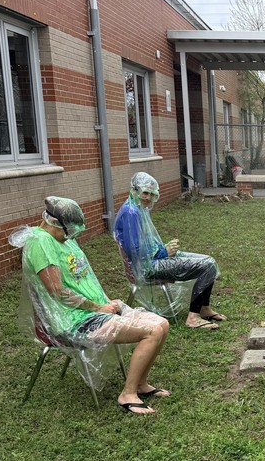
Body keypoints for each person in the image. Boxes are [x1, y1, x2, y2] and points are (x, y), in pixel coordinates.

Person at [20, 197, 170, 416]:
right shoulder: (41, 243)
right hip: (72, 321)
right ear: (54, 222)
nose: (71, 235)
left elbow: (83, 280)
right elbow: (57, 291)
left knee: (162, 324)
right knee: (152, 332)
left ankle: (140, 384)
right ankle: (127, 395)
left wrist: (106, 302)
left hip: (90, 311)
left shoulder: (62, 240)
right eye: (68, 230)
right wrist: (97, 308)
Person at [114, 173, 225, 329]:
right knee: (206, 266)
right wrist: (164, 252)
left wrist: (163, 248)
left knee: (209, 261)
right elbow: (136, 252)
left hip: (152, 261)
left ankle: (204, 309)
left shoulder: (137, 208)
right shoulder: (131, 213)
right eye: (145, 193)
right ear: (134, 190)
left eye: (152, 195)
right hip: (147, 268)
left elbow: (145, 243)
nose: (148, 198)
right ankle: (193, 318)